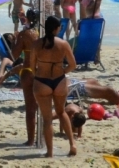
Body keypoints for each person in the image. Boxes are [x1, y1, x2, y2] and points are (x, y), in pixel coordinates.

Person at [31, 15, 77, 158]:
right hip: (59, 80)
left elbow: (32, 67)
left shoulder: (37, 44)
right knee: (61, 112)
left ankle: (50, 152)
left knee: (47, 119)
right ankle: (72, 145)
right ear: (57, 29)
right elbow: (73, 65)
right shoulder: (63, 44)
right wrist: (62, 71)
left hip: (42, 80)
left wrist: (39, 72)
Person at [0, 9, 40, 146]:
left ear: (27, 18)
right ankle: (40, 138)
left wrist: (15, 40)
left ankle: (31, 140)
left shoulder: (24, 34)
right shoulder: (39, 33)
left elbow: (14, 55)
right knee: (39, 106)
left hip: (27, 70)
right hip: (40, 71)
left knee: (30, 109)